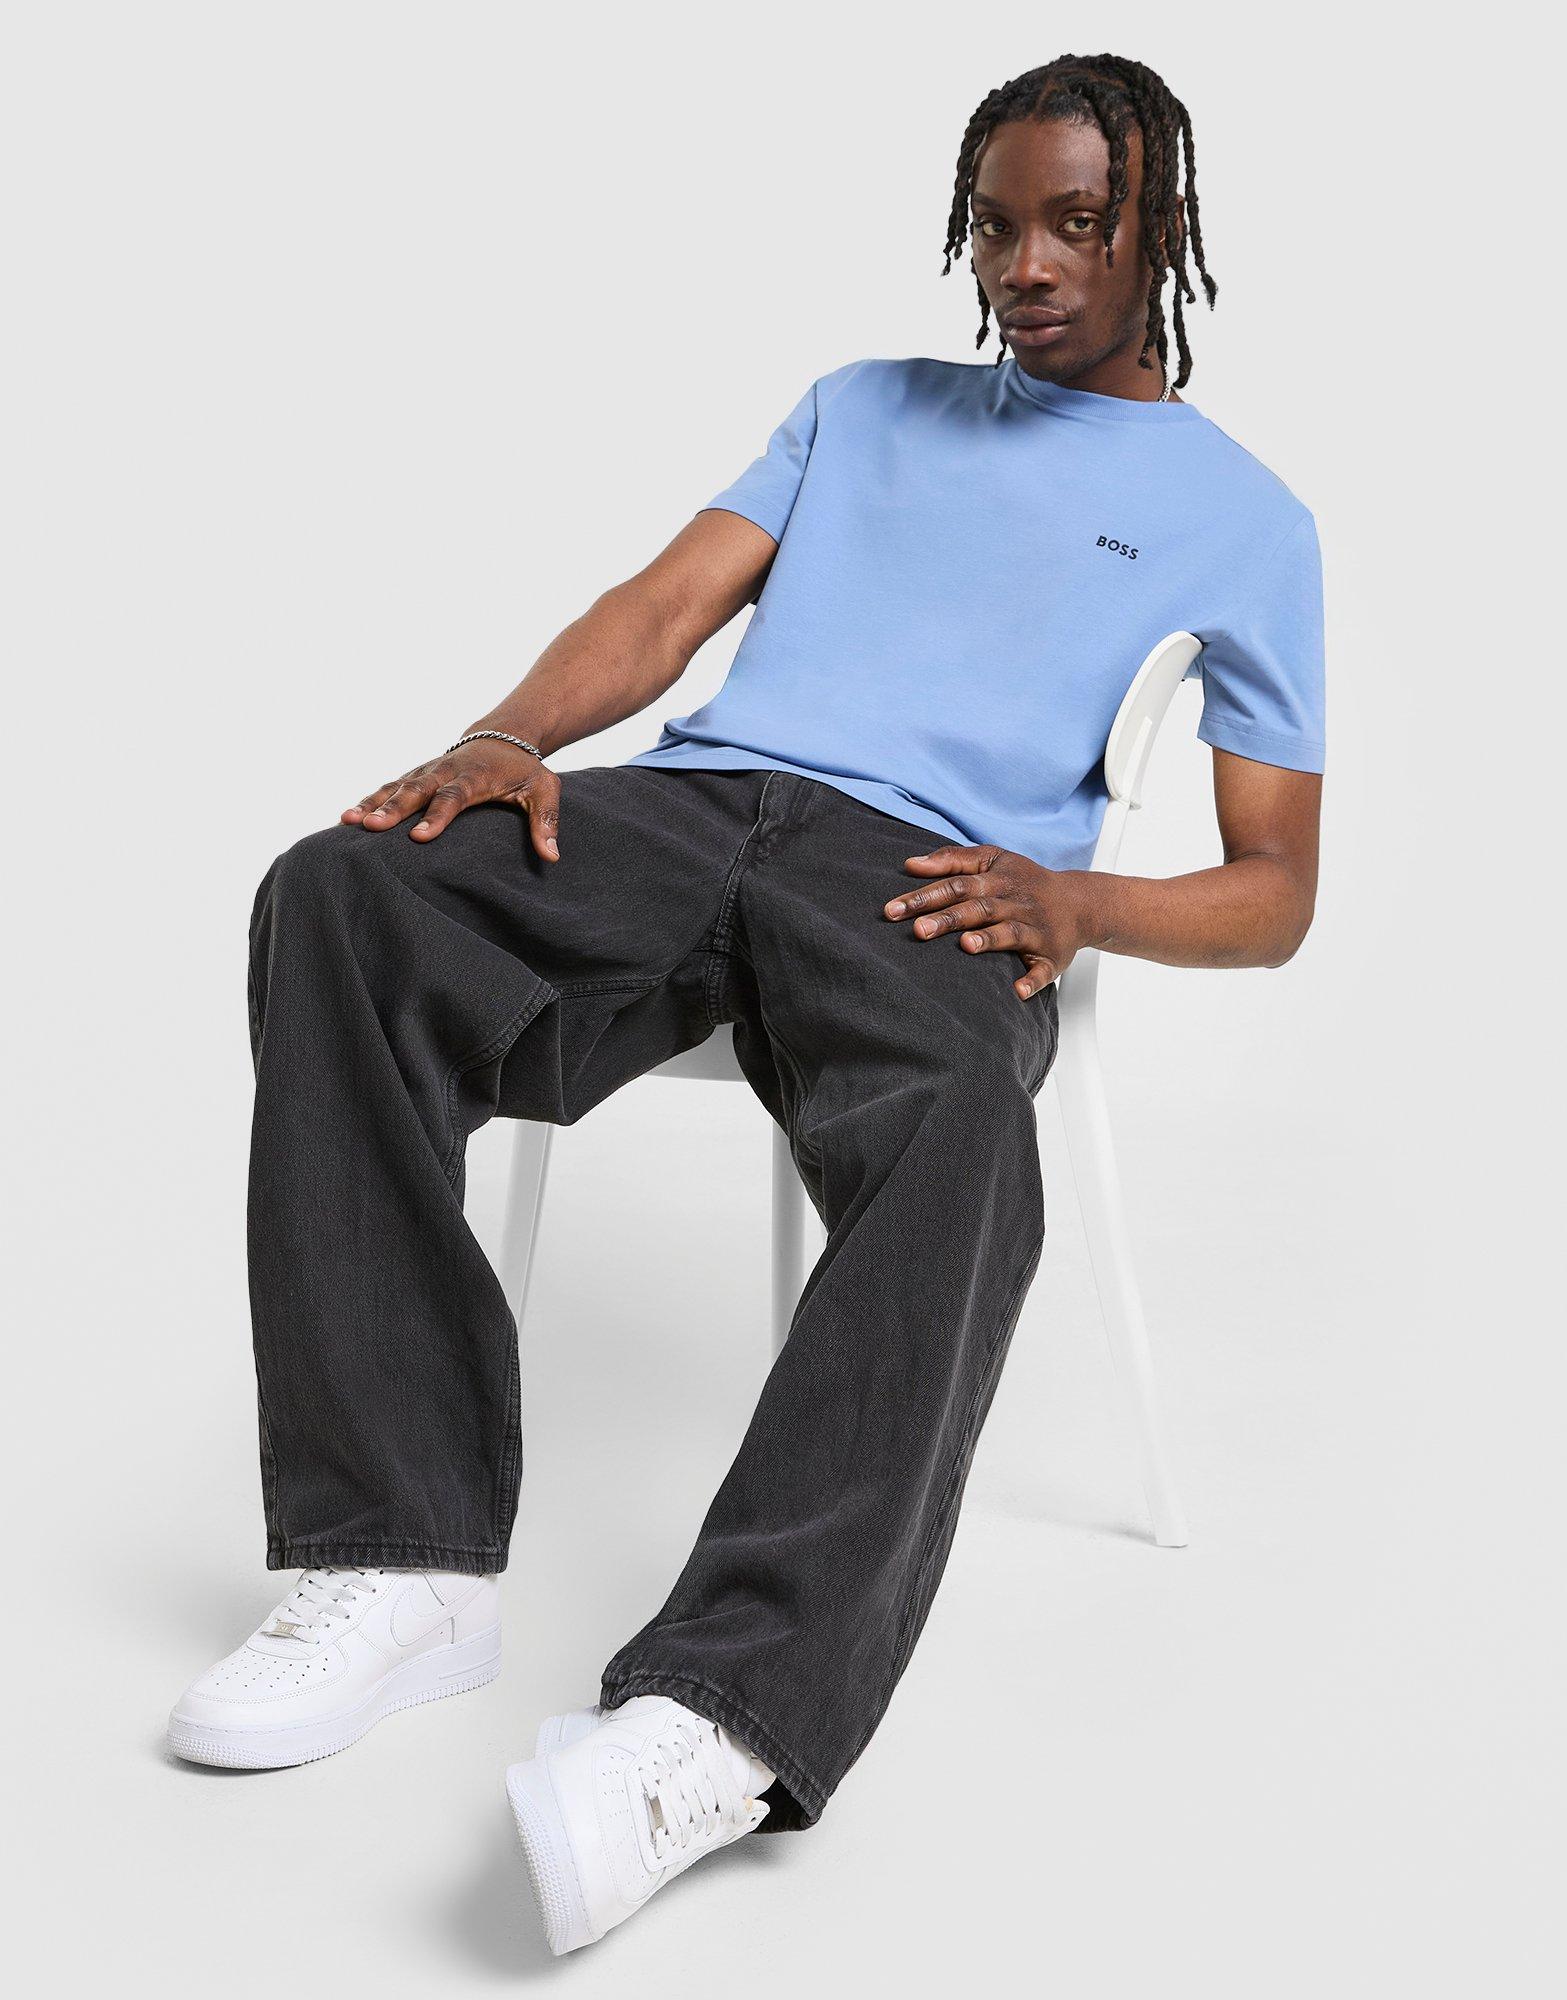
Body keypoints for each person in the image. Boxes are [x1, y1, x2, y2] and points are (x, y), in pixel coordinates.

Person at [167, 52, 1325, 1955]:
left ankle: (722, 1714)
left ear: (1162, 229)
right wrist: (505, 737)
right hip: (692, 808)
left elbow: (1276, 891)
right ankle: (400, 1559)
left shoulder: (1245, 519)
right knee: (345, 893)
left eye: (1077, 223)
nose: (1028, 266)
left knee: (964, 1130)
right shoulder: (860, 406)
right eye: (997, 227)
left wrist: (1078, 901)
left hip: (931, 881)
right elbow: (660, 610)